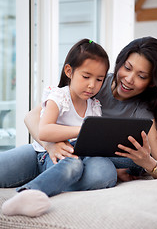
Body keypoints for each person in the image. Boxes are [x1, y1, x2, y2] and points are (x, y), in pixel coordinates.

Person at [24, 36, 157, 181]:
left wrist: (148, 163)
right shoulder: (95, 82)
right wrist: (50, 146)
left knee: (100, 174)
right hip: (58, 154)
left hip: (92, 163)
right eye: (127, 68)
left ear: (152, 83)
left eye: (141, 76)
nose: (129, 79)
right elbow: (31, 117)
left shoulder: (144, 115)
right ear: (119, 62)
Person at [1, 38, 116, 217]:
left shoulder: (94, 106)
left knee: (76, 166)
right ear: (69, 71)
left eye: (99, 79)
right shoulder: (59, 96)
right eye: (86, 77)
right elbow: (45, 131)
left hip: (67, 160)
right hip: (40, 155)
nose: (92, 85)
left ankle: (28, 193)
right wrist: (84, 130)